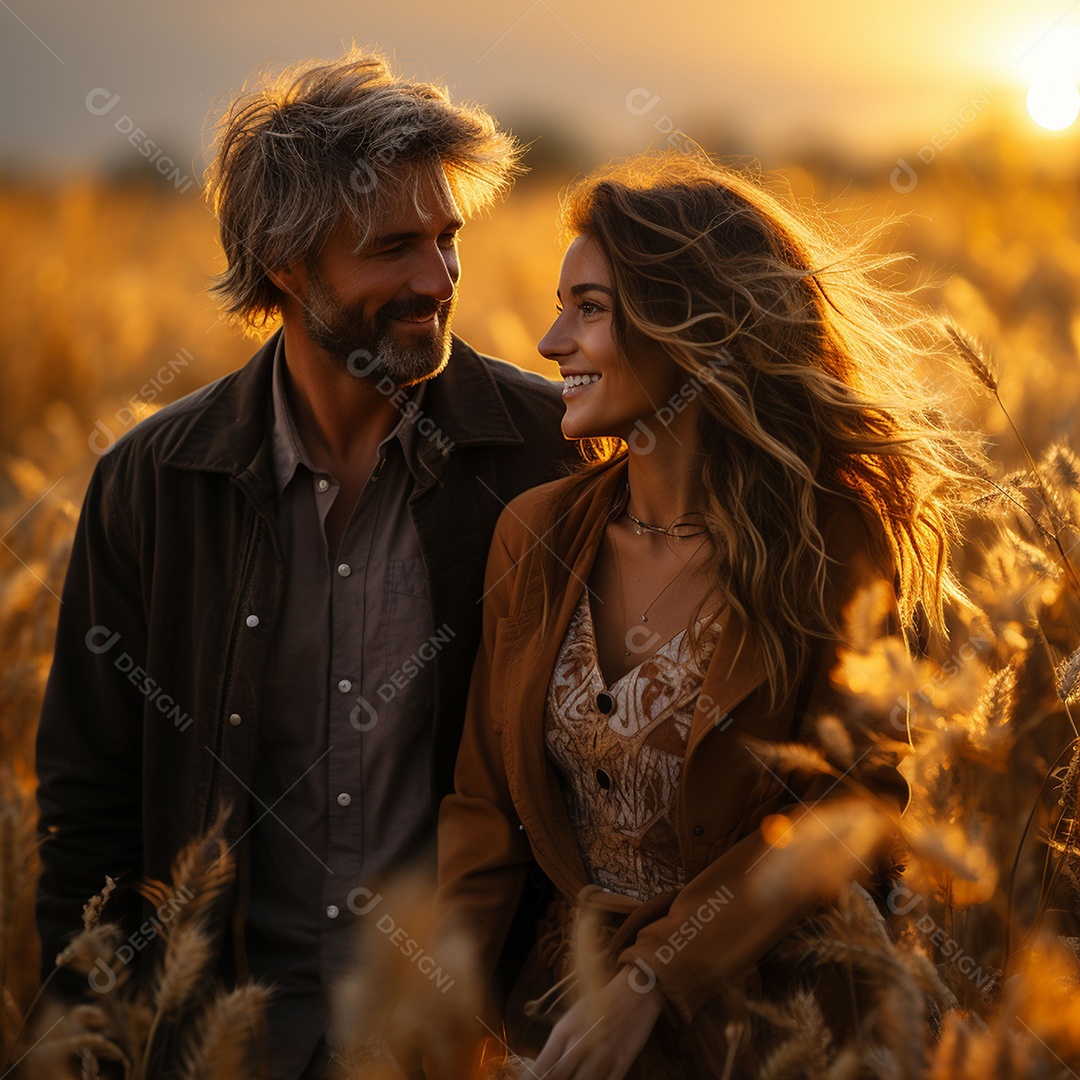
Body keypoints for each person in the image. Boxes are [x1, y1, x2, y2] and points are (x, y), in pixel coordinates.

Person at [34, 50, 579, 1079]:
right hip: (228, 1049)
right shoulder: (152, 485)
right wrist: (85, 1039)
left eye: (447, 239)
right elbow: (88, 809)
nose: (436, 279)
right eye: (391, 249)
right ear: (287, 264)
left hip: (465, 1049)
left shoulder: (551, 453)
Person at [429, 154, 983, 1078]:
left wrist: (655, 977)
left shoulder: (828, 545)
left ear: (692, 327)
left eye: (590, 308)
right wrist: (441, 1024)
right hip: (562, 1030)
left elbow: (850, 806)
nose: (549, 339)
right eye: (561, 304)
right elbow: (482, 815)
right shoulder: (535, 535)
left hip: (772, 1031)